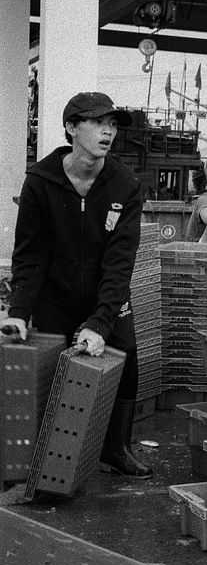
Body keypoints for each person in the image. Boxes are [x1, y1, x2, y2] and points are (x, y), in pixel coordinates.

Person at [1, 92, 151, 477]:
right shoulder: (41, 181)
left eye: (112, 124)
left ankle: (116, 448)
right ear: (71, 127)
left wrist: (100, 322)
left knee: (126, 358)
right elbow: (30, 254)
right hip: (55, 295)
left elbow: (121, 260)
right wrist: (18, 312)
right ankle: (49, 460)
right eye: (97, 122)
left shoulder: (125, 184)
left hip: (107, 294)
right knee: (54, 373)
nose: (108, 131)